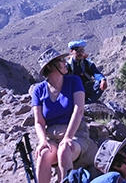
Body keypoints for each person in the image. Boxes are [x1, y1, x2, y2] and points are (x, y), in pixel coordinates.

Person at [31, 48, 90, 183]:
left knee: (64, 150)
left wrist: (68, 137)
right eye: (61, 60)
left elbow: (79, 110)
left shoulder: (74, 81)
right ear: (51, 66)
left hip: (76, 134)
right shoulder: (38, 90)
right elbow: (39, 121)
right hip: (52, 136)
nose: (66, 62)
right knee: (43, 154)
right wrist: (42, 141)